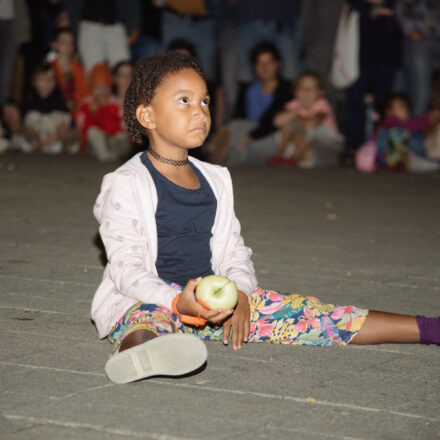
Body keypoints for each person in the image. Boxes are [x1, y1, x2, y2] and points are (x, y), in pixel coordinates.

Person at [91, 53, 439, 384]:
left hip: (217, 306)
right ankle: (139, 353)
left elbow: (234, 251)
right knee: (143, 319)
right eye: (184, 101)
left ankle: (426, 328)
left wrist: (241, 295)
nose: (199, 111)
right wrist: (176, 301)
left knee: (309, 312)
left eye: (205, 101)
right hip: (153, 300)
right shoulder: (127, 183)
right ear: (148, 116)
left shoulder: (216, 179)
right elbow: (126, 269)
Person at [208, 41, 292, 165]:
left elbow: (272, 122)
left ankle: (216, 145)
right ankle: (219, 161)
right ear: (254, 67)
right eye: (260, 63)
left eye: (269, 62)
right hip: (244, 136)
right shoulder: (247, 89)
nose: (265, 67)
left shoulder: (287, 89)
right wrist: (246, 137)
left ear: (278, 64)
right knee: (239, 147)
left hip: (270, 137)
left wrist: (250, 136)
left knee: (239, 136)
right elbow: (239, 116)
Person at [268, 71, 343, 168]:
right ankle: (280, 155)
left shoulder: (322, 104)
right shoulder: (294, 105)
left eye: (311, 89)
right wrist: (297, 109)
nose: (306, 91)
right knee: (287, 125)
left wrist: (295, 119)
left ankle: (294, 158)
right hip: (305, 143)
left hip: (327, 145)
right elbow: (277, 122)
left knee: (308, 130)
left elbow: (311, 124)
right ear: (295, 91)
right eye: (302, 88)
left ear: (320, 92)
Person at [355, 92, 440, 172]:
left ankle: (420, 161)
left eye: (407, 107)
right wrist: (428, 118)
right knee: (398, 132)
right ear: (389, 112)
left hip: (398, 155)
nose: (406, 110)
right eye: (401, 106)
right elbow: (410, 126)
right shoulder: (390, 121)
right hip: (384, 154)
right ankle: (399, 161)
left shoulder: (400, 125)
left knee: (416, 137)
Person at [76, 63, 128, 160]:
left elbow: (121, 126)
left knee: (122, 140)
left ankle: (112, 152)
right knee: (93, 132)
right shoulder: (85, 105)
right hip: (93, 141)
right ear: (91, 89)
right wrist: (93, 114)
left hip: (113, 138)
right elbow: (83, 130)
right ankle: (104, 154)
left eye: (105, 87)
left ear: (110, 89)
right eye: (97, 88)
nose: (102, 91)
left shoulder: (115, 104)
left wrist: (106, 109)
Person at [50, 27, 89, 121]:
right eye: (63, 42)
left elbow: (85, 96)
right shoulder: (49, 68)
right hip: (54, 113)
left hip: (77, 116)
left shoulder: (80, 69)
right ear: (54, 45)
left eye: (70, 43)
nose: (67, 46)